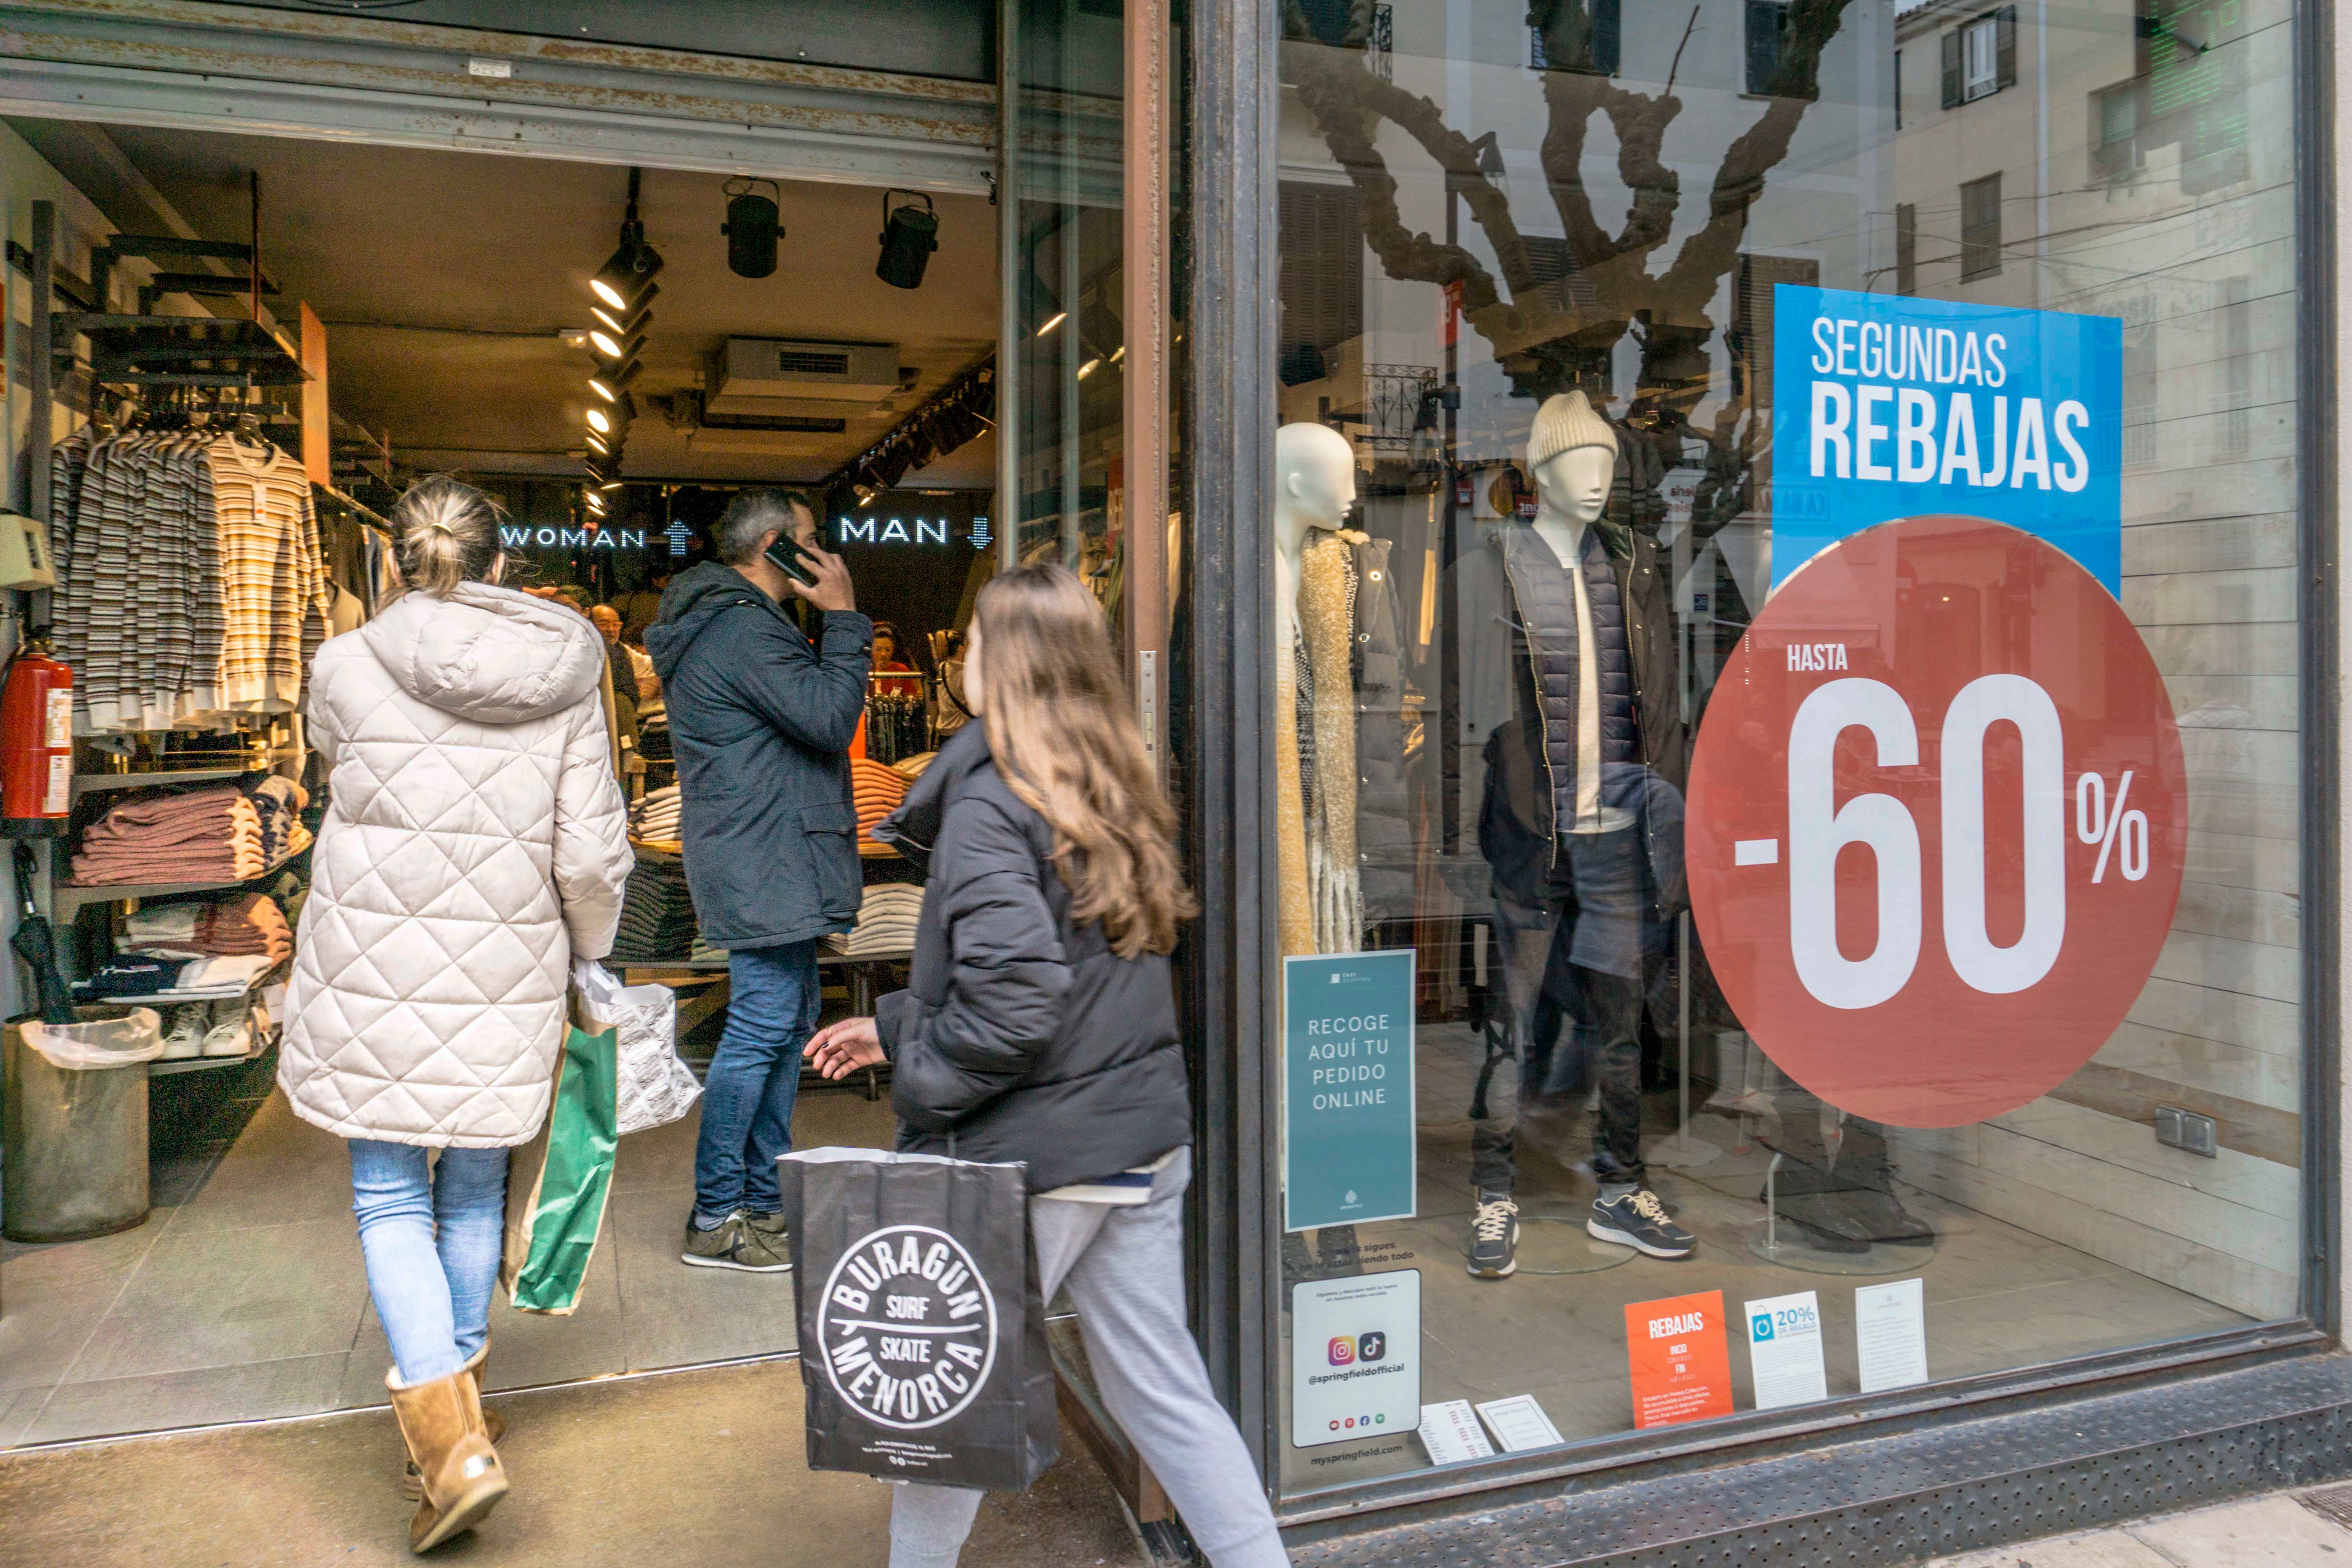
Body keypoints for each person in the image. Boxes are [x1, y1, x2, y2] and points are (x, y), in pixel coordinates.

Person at [805, 565, 1290, 1568]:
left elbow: (1020, 1002)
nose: (961, 659)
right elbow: (1068, 973)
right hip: (1140, 1145)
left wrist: (923, 1077)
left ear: (1011, 664)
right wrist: (899, 1027)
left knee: (950, 1405)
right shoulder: (1108, 784)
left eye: (976, 641)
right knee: (1163, 1388)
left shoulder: (990, 803)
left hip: (1045, 1158)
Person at [277, 476, 631, 1554]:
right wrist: (594, 950)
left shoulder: (342, 666)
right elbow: (589, 852)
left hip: (369, 957)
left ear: (392, 562)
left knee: (389, 1190)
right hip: (507, 957)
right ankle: (460, 1417)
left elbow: (339, 775)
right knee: (475, 1178)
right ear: (501, 567)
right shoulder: (572, 673)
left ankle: (453, 1445)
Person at [645, 488, 868, 1272]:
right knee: (764, 1024)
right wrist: (842, 617)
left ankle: (761, 1199)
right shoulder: (743, 626)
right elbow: (830, 718)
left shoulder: (733, 620)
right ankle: (716, 1213)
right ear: (775, 544)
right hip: (765, 855)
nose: (820, 551)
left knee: (782, 1020)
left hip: (761, 850)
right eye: (809, 539)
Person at [868, 619, 924, 699]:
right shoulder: (865, 669)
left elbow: (912, 697)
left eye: (888, 650)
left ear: (893, 650)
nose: (883, 654)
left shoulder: (900, 670)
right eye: (879, 649)